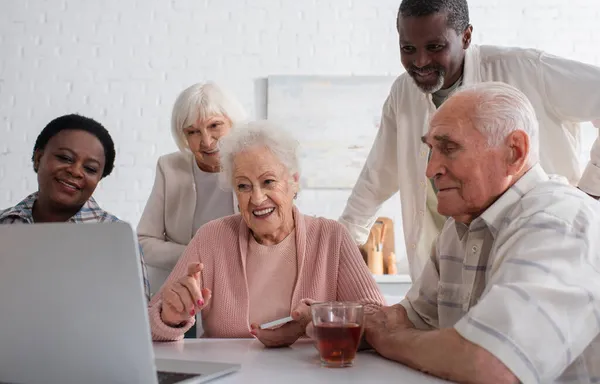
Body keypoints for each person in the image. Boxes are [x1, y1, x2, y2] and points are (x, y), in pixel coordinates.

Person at [339, 0, 600, 280]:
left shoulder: (526, 70)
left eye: (434, 47)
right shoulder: (403, 93)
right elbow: (376, 178)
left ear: (465, 37)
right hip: (447, 267)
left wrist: (590, 193)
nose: (420, 62)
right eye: (408, 49)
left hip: (536, 257)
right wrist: (337, 248)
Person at [364, 82, 600, 383]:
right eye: (431, 149)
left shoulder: (559, 221)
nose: (430, 169)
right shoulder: (459, 227)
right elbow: (414, 319)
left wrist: (389, 341)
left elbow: (494, 363)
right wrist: (333, 321)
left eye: (449, 148)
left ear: (514, 152)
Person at [148, 121, 385, 346]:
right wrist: (169, 317)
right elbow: (148, 323)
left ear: (293, 182)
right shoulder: (211, 238)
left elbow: (379, 319)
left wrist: (315, 320)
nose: (257, 198)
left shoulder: (331, 237)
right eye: (243, 186)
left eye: (268, 182)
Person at [0, 114, 150, 300]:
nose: (75, 171)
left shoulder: (117, 239)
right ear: (38, 158)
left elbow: (136, 321)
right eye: (65, 158)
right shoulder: (4, 223)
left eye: (90, 169)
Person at [137, 82, 247, 295]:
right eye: (193, 132)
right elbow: (143, 242)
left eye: (215, 126)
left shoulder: (252, 166)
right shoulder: (169, 167)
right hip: (179, 290)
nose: (206, 141)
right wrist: (199, 255)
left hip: (238, 288)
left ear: (233, 124)